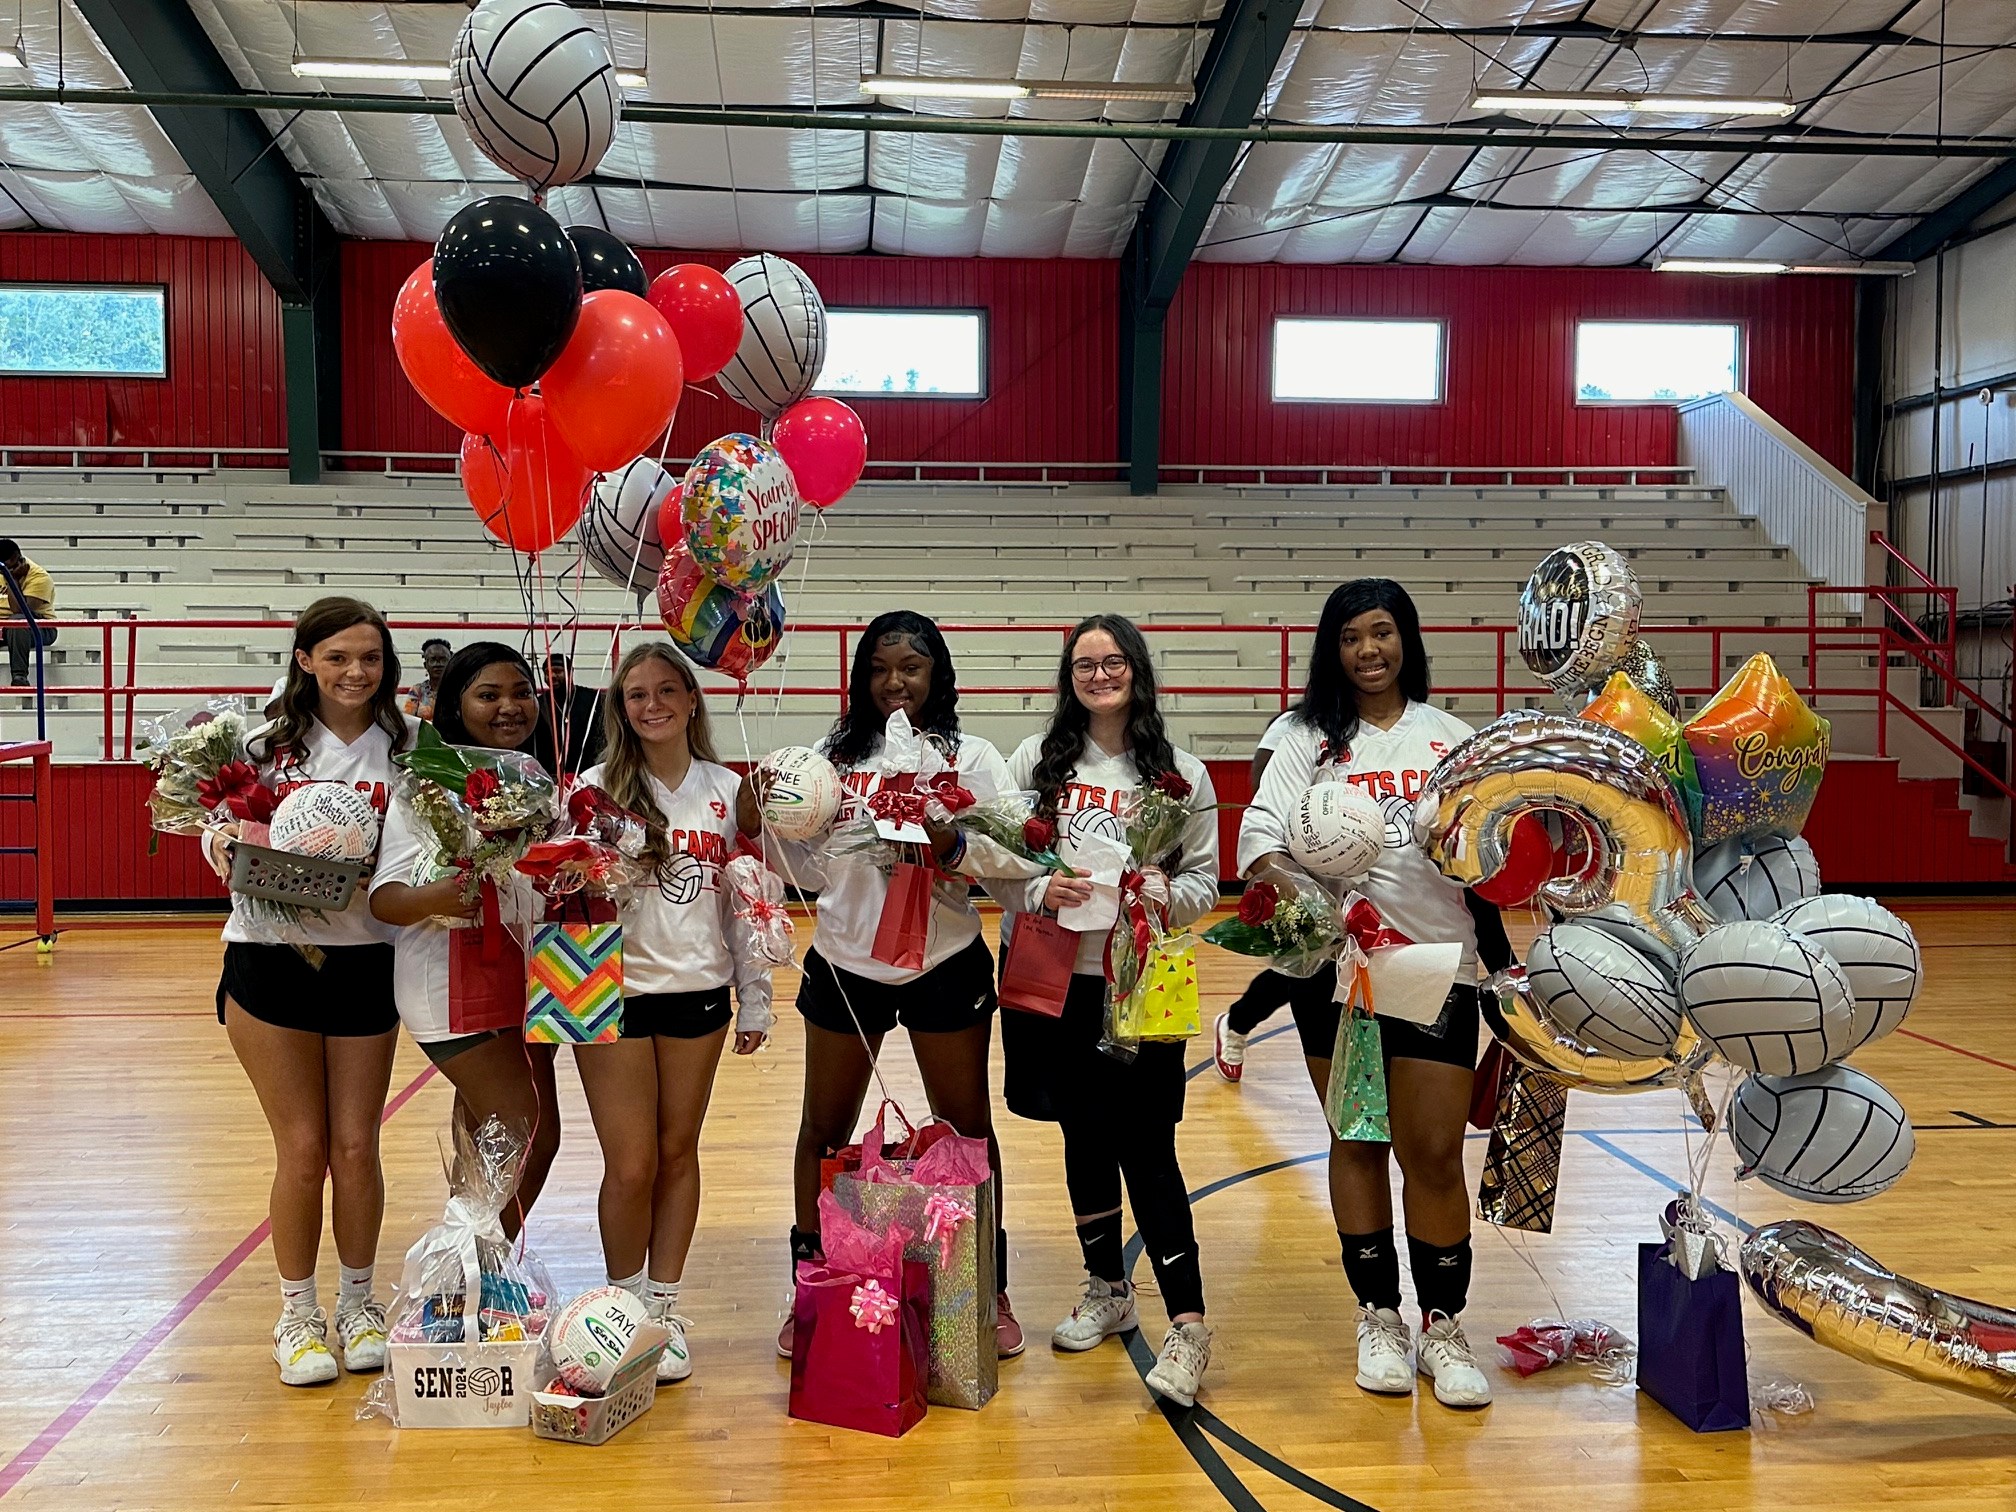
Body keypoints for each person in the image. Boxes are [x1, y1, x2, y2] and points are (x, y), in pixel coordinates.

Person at [1235, 578, 1514, 1409]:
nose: (1368, 651)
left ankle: (1443, 1326)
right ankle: (1379, 1316)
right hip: (1335, 969)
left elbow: (1489, 863)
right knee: (1356, 1139)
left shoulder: (1451, 738)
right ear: (1333, 647)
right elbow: (1260, 842)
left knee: (1431, 1151)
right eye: (1352, 636)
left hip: (1436, 966)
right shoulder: (1300, 736)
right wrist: (1309, 892)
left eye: (1382, 633)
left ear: (1407, 640)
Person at [764, 610, 1026, 1360]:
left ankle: (988, 1284)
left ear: (938, 673)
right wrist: (779, 831)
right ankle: (810, 1279)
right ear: (860, 677)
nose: (895, 682)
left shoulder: (971, 757)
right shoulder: (827, 758)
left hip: (945, 960)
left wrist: (952, 842)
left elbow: (1014, 858)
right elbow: (807, 873)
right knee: (823, 1127)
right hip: (847, 962)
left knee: (966, 1130)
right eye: (879, 668)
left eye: (910, 667)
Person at [995, 614, 1221, 1408]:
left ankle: (1189, 1324)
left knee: (1148, 1144)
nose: (1100, 674)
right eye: (1085, 663)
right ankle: (1106, 1287)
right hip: (1058, 977)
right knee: (1081, 1133)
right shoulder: (1035, 761)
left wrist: (1165, 893)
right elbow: (1002, 863)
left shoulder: (1182, 774)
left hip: (1144, 978)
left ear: (1138, 671)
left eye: (1114, 661)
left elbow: (1204, 885)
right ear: (1069, 675)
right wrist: (1033, 889)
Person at [202, 596, 414, 1387]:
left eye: (370, 658)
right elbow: (214, 829)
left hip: (366, 961)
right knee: (302, 1148)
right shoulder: (260, 743)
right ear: (305, 660)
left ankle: (359, 1305)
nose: (356, 672)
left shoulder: (410, 747)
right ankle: (297, 1315)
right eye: (338, 657)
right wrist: (221, 842)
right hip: (268, 958)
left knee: (357, 1146)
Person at [575, 642, 775, 1383]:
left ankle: (664, 1308)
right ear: (620, 710)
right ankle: (623, 1309)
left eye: (667, 690)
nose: (652, 704)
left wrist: (755, 994)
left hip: (699, 991)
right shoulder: (592, 788)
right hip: (608, 992)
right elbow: (557, 894)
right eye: (636, 695)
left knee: (677, 1150)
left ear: (693, 699)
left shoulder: (728, 790)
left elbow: (747, 901)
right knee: (630, 1165)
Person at [369, 642, 561, 1235]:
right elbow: (385, 897)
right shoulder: (426, 788)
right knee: (531, 1132)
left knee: (488, 1145)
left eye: (521, 692)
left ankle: (468, 1287)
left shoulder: (541, 783)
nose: (509, 706)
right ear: (454, 704)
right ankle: (471, 1270)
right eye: (488, 694)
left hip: (535, 980)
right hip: (448, 985)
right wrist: (442, 897)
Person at [1213, 710, 1299, 1082]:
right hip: (1298, 865)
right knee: (1296, 970)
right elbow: (1262, 791)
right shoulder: (1293, 725)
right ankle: (1236, 1023)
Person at [536, 652, 607, 778]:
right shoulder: (540, 705)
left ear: (570, 672)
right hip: (552, 776)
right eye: (547, 673)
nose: (551, 676)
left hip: (589, 773)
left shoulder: (593, 699)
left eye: (557, 671)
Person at [1, 538, 56, 687]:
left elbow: (21, 610)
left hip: (38, 625)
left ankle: (19, 676)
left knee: (18, 621)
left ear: (14, 559)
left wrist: (12, 579)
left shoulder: (39, 577)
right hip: (3, 625)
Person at [402, 638, 452, 720]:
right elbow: (408, 720)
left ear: (450, 662)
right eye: (432, 660)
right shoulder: (417, 691)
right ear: (426, 665)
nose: (438, 664)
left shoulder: (458, 690)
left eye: (443, 660)